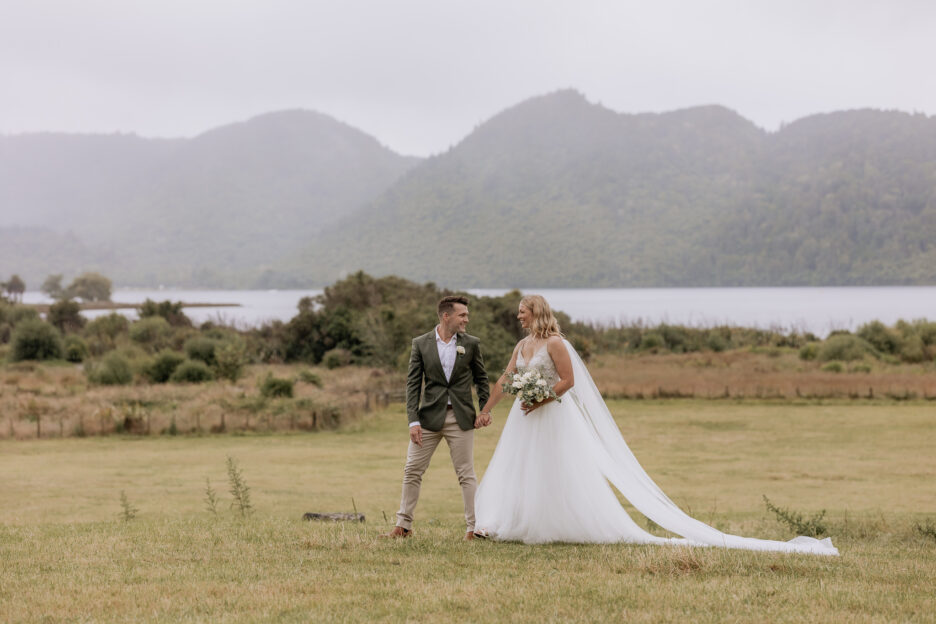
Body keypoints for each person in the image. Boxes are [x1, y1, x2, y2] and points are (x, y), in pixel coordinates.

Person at [473, 295, 838, 555]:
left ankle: (553, 523)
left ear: (536, 311)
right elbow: (506, 378)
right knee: (521, 468)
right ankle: (511, 521)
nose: (518, 316)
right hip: (524, 420)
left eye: (522, 312)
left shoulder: (555, 344)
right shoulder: (522, 344)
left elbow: (568, 381)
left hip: (551, 415)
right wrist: (487, 409)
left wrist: (541, 400)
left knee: (557, 468)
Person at [383, 296, 490, 540]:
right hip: (428, 419)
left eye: (466, 315)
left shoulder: (471, 343)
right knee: (412, 470)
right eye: (462, 315)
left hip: (461, 419)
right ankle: (403, 527)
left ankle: (472, 529)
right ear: (446, 316)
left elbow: (481, 379)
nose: (466, 319)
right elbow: (412, 384)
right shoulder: (420, 343)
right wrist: (413, 421)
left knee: (466, 473)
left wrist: (485, 409)